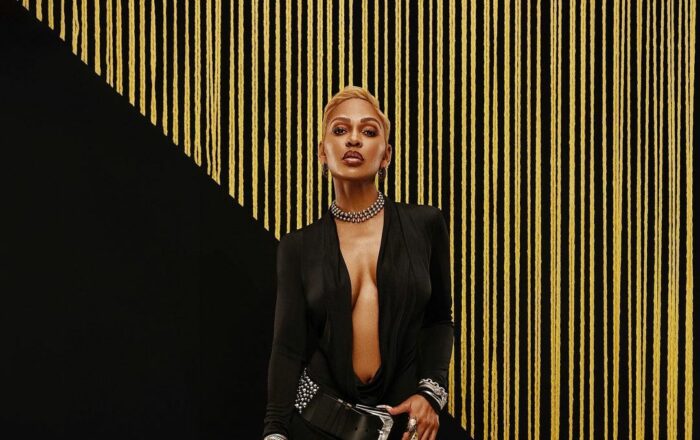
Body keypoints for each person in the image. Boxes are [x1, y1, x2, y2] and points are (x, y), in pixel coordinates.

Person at [262, 86, 454, 440]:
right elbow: (287, 348)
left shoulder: (425, 225)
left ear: (386, 155)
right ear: (323, 152)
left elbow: (439, 320)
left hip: (404, 428)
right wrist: (275, 432)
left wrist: (430, 393)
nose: (353, 139)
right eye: (340, 130)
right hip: (316, 424)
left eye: (368, 131)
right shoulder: (297, 247)